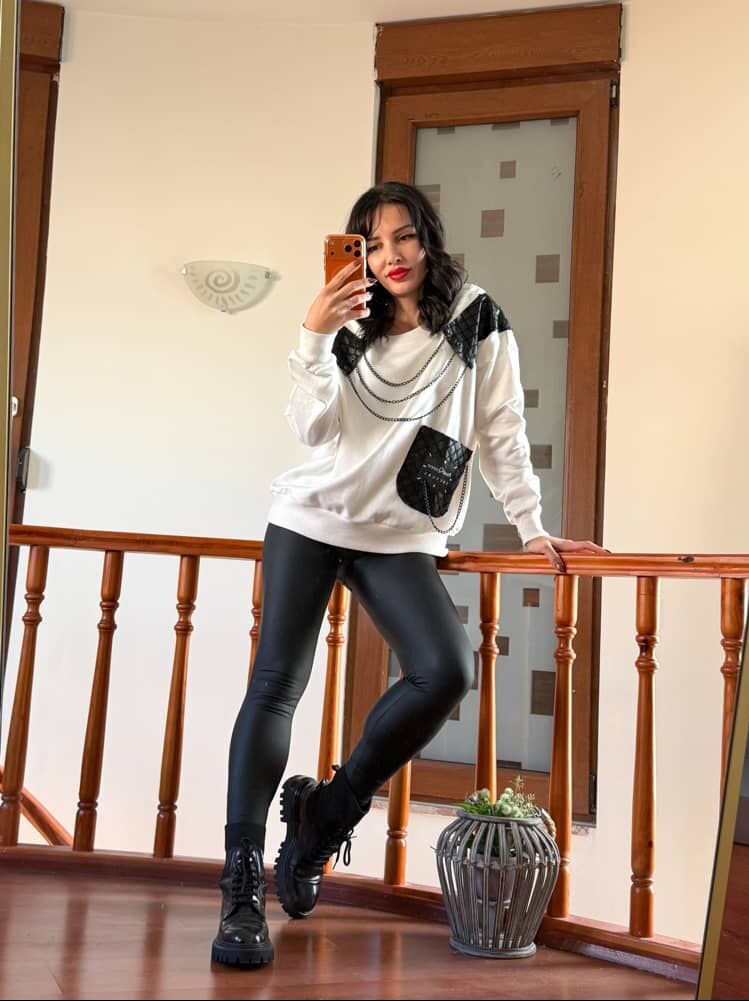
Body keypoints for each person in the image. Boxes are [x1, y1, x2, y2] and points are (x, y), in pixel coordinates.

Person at [210, 181, 609, 966]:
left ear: (428, 239)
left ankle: (325, 815)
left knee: (446, 670)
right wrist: (313, 333)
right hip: (311, 518)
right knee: (276, 685)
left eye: (402, 237)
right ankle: (241, 887)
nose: (389, 255)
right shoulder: (345, 325)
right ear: (355, 253)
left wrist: (530, 524)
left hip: (399, 534)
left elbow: (501, 429)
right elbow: (313, 428)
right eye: (370, 243)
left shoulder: (476, 319)